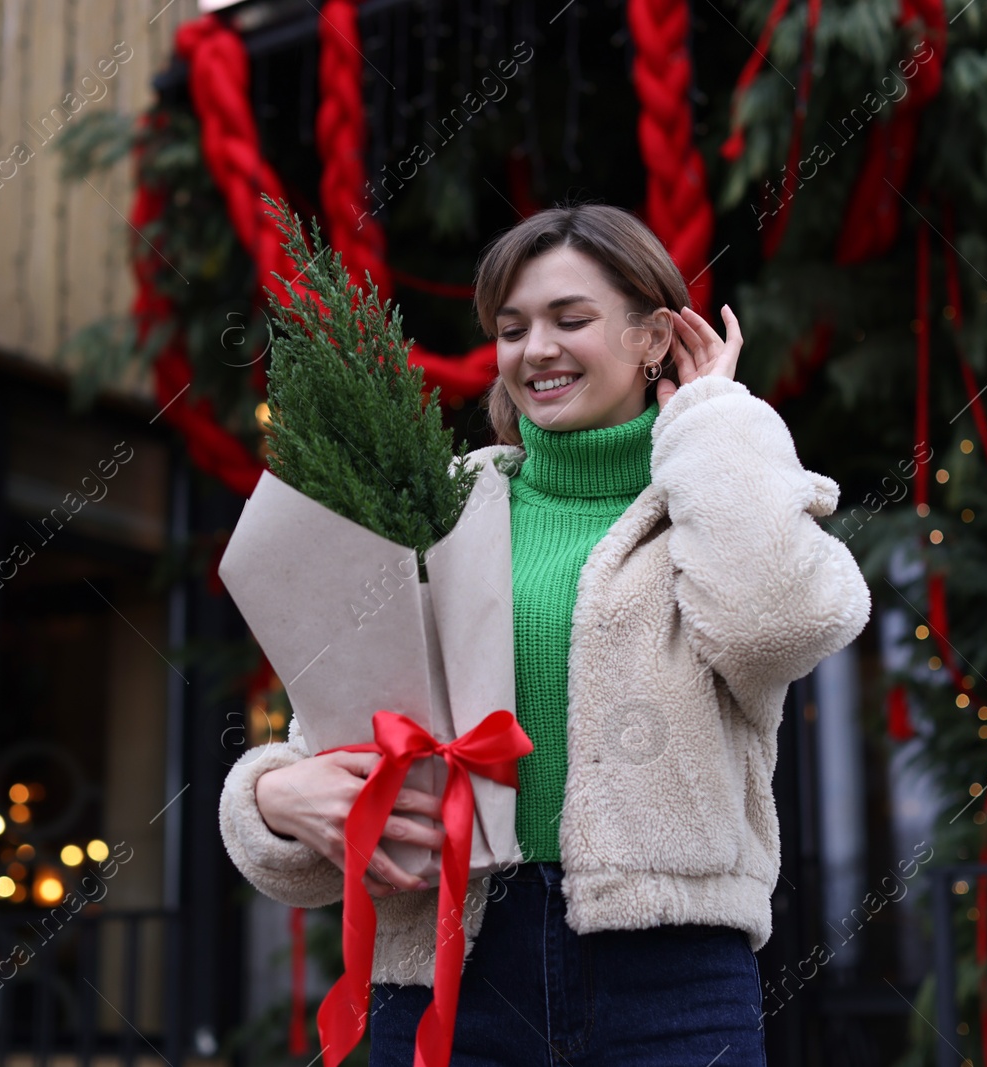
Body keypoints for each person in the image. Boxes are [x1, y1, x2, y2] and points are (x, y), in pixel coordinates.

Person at [217, 202, 872, 1066]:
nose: (537, 350)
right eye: (513, 327)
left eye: (572, 319)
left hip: (671, 974)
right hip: (450, 969)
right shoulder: (443, 510)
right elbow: (335, 731)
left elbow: (777, 622)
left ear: (652, 338)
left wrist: (712, 414)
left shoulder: (711, 502)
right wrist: (269, 801)